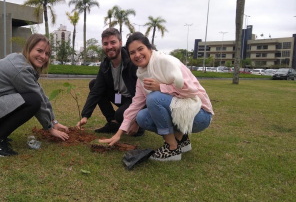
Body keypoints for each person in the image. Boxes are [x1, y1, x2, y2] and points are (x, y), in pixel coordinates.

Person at [100, 32, 214, 161]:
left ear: (150, 48)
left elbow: (190, 90)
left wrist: (160, 87)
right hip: (183, 114)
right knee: (142, 117)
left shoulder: (165, 61)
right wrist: (119, 134)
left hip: (199, 115)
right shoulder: (141, 75)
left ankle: (172, 148)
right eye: (132, 53)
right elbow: (136, 104)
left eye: (140, 49)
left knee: (154, 98)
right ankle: (183, 141)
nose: (137, 55)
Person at [0, 34, 69, 157]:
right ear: (29, 48)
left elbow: (40, 92)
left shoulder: (20, 62)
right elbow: (39, 101)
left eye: (47, 54)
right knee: (33, 101)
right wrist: (50, 128)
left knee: (31, 98)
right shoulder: (20, 69)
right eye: (39, 51)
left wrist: (54, 121)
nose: (43, 56)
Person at [76, 28, 144, 136]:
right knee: (94, 84)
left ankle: (139, 126)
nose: (109, 47)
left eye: (113, 42)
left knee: (120, 115)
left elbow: (145, 93)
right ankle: (113, 123)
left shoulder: (131, 61)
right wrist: (85, 115)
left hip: (134, 99)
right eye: (105, 43)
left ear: (120, 43)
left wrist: (136, 122)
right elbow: (96, 91)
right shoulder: (105, 65)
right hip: (119, 96)